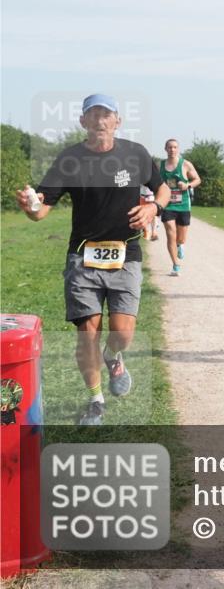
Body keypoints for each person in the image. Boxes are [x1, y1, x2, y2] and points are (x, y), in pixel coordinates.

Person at [14, 94, 169, 426]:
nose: (99, 120)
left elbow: (163, 190)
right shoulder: (70, 159)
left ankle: (114, 357)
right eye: (93, 114)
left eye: (106, 114)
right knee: (88, 331)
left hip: (126, 255)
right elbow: (41, 210)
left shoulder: (135, 154)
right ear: (83, 122)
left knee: (123, 332)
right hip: (82, 257)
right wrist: (30, 207)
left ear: (117, 121)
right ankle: (96, 402)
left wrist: (153, 207)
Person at [159, 139, 201, 276]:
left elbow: (197, 180)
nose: (172, 150)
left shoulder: (185, 164)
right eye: (170, 147)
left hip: (183, 205)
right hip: (167, 204)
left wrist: (187, 185)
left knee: (181, 238)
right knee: (170, 233)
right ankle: (175, 264)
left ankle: (180, 245)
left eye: (175, 147)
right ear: (165, 149)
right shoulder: (160, 165)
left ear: (178, 149)